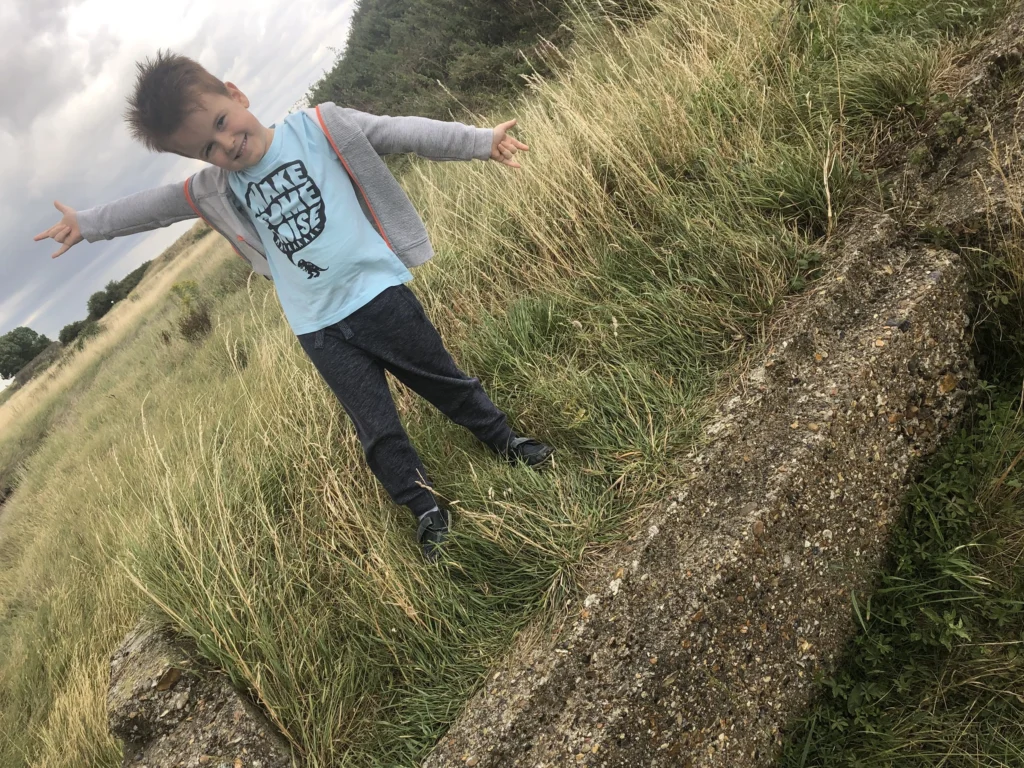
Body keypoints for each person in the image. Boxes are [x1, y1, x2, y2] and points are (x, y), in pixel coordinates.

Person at [34, 51, 553, 561]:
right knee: (377, 429)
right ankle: (423, 509)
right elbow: (154, 207)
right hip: (320, 328)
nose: (227, 145)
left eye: (222, 121)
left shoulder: (322, 128)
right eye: (207, 148)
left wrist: (480, 142)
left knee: (444, 381)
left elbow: (403, 131)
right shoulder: (217, 190)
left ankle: (505, 441)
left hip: (380, 298)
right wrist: (90, 223)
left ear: (237, 95)